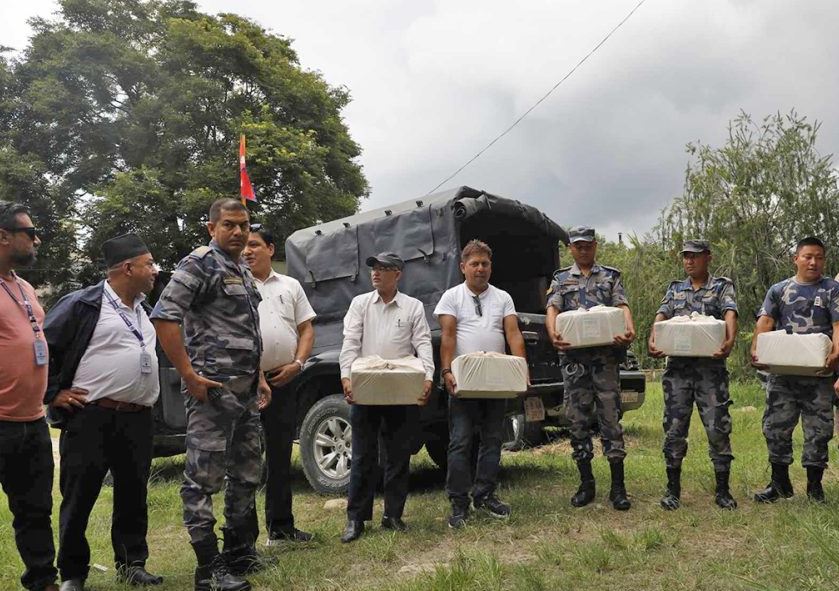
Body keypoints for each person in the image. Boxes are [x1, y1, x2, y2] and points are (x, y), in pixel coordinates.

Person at [152, 198, 271, 591]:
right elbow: (165, 317)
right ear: (211, 228)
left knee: (247, 473)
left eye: (244, 225)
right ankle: (208, 568)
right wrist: (188, 375)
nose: (238, 232)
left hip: (247, 392)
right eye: (229, 225)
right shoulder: (198, 263)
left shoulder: (242, 267)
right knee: (203, 479)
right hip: (212, 393)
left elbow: (249, 332)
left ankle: (239, 552)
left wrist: (260, 377)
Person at [43, 234, 163, 591]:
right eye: (148, 263)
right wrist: (52, 393)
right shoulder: (82, 304)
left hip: (137, 418)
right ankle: (73, 574)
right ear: (127, 268)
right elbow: (43, 347)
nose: (154, 270)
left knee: (133, 493)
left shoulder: (143, 308)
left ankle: (132, 563)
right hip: (91, 416)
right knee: (79, 496)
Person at [338, 252, 434, 542]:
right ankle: (356, 519)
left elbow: (423, 343)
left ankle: (393, 515)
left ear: (398, 274)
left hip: (401, 388)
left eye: (384, 269)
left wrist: (428, 376)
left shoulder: (413, 307)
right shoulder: (360, 304)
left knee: (398, 455)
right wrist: (346, 375)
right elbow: (350, 342)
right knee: (363, 454)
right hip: (367, 387)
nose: (376, 273)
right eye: (374, 269)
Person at [435, 240, 527, 529]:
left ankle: (485, 495)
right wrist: (446, 370)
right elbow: (447, 336)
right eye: (474, 264)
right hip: (464, 381)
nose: (480, 269)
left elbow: (513, 334)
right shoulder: (451, 297)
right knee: (460, 441)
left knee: (493, 440)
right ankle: (459, 503)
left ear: (490, 267)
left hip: (496, 380)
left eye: (485, 264)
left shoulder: (503, 298)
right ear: (463, 267)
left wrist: (521, 368)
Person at [545, 225, 636, 511]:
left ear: (595, 246)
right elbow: (552, 309)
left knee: (610, 420)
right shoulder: (560, 279)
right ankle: (586, 484)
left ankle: (618, 488)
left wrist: (629, 328)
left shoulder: (610, 276)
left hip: (605, 362)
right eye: (577, 245)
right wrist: (552, 333)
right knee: (577, 421)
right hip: (574, 363)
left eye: (587, 245)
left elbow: (621, 306)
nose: (583, 249)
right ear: (571, 248)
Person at [648, 240, 738, 510]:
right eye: (686, 257)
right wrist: (653, 339)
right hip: (678, 373)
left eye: (695, 257)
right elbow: (661, 315)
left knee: (718, 429)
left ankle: (722, 491)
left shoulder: (721, 286)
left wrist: (729, 341)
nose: (689, 261)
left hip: (710, 372)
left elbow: (730, 312)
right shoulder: (675, 288)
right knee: (674, 430)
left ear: (708, 257)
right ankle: (672, 490)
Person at [751, 236, 839, 503]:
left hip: (819, 375)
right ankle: (779, 484)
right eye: (808, 256)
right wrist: (757, 350)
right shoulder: (779, 290)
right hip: (783, 374)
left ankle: (814, 487)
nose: (814, 262)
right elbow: (765, 321)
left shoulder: (832, 290)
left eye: (819, 257)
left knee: (819, 431)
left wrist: (836, 354)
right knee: (775, 428)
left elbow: (838, 327)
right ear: (796, 258)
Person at [242, 225, 315, 545]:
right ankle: (242, 538)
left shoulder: (290, 285)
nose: (247, 251)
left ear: (270, 249)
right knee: (243, 460)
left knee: (280, 456)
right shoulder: (234, 285)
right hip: (244, 384)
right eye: (244, 246)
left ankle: (281, 527)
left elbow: (307, 329)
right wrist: (255, 375)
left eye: (254, 244)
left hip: (283, 380)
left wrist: (297, 364)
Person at [0, 201, 58, 591]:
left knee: (36, 509)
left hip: (32, 421)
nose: (36, 239)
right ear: (2, 236)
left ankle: (42, 581)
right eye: (29, 232)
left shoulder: (23, 287)